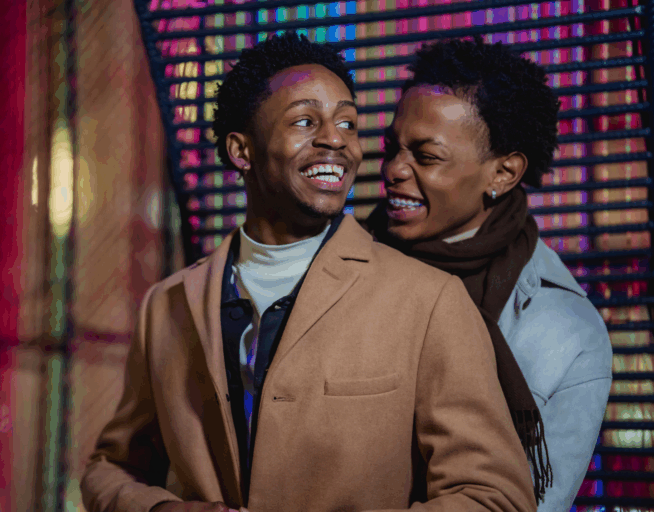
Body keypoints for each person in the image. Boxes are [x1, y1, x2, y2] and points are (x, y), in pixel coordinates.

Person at [81, 32, 537, 512]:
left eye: (348, 123)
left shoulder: (429, 300)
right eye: (305, 121)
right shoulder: (167, 304)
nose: (336, 140)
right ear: (241, 151)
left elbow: (495, 498)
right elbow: (111, 468)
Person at [365, 37, 612, 512]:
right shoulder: (340, 267)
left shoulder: (566, 332)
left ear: (503, 173)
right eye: (392, 148)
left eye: (426, 156)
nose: (394, 169)